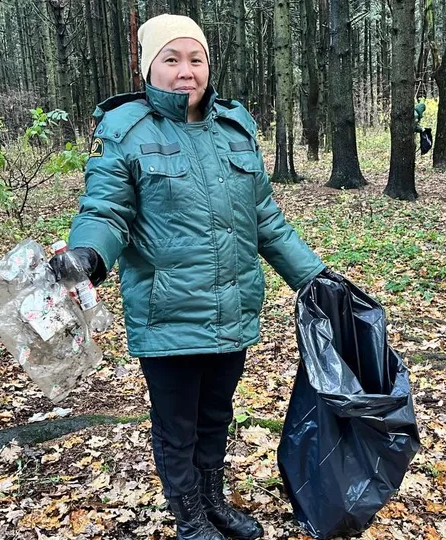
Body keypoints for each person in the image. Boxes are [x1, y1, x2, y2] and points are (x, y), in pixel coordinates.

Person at [49, 13, 334, 540]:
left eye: (196, 59)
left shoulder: (235, 128)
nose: (186, 71)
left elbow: (265, 219)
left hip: (232, 308)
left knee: (216, 417)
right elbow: (106, 211)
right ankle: (190, 520)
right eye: (172, 59)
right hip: (169, 314)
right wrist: (88, 254)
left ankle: (212, 503)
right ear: (148, 68)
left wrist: (314, 278)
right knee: (177, 426)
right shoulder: (125, 131)